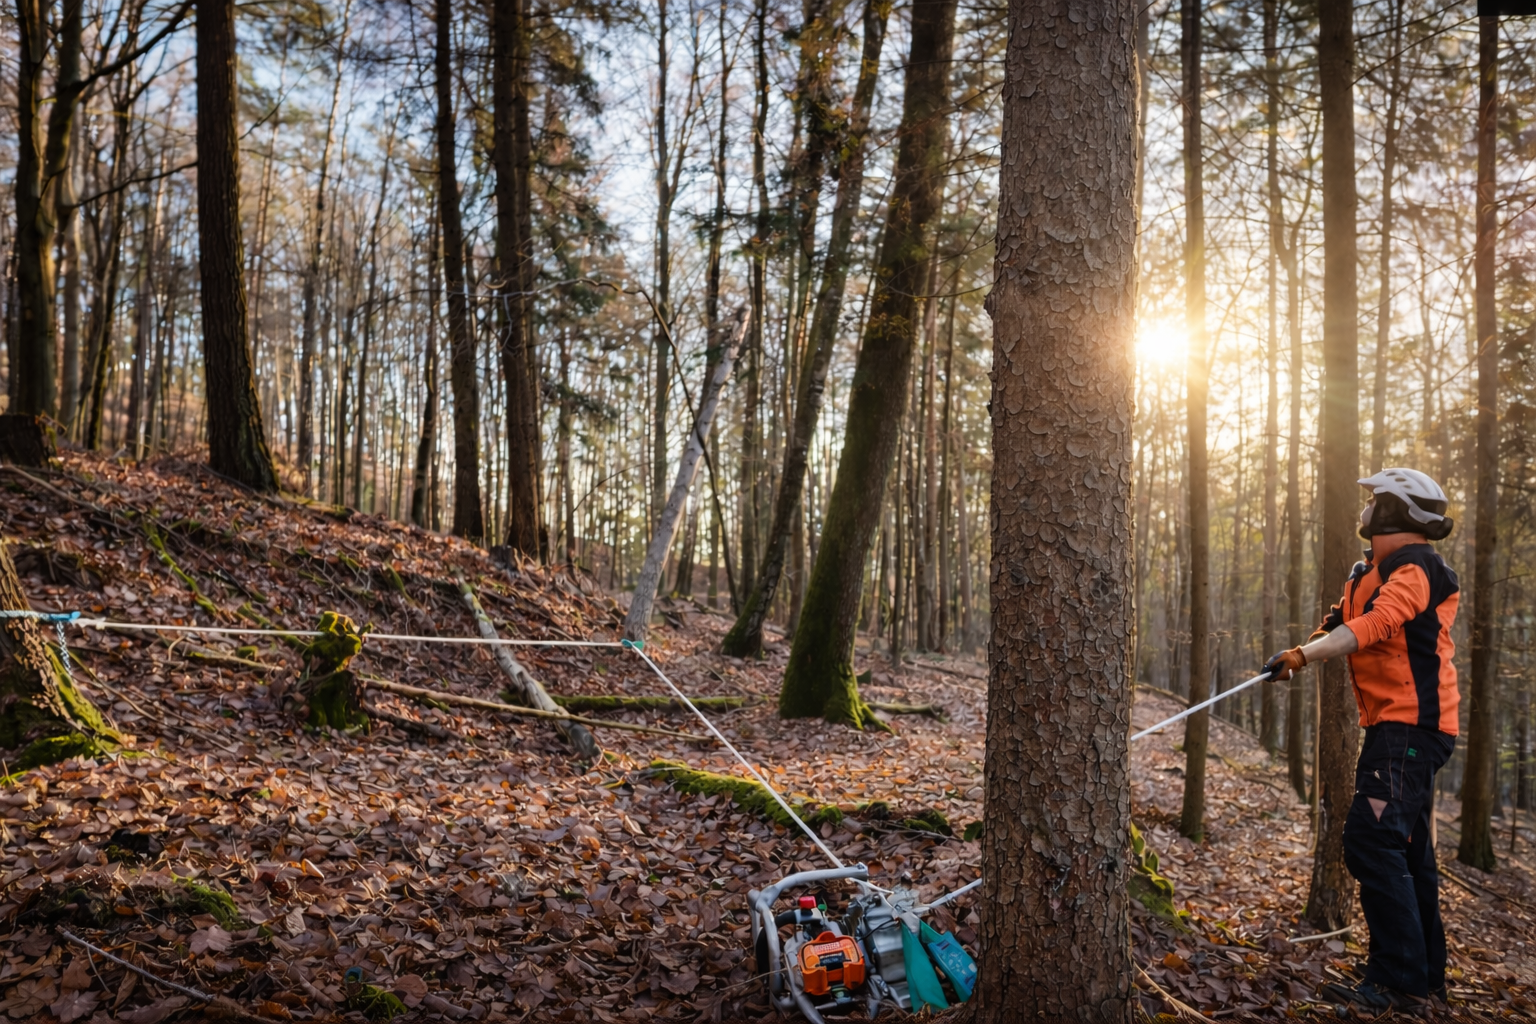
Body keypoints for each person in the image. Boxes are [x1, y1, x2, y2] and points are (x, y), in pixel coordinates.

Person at [1263, 469, 1460, 1013]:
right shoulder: (1370, 571)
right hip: (1400, 731)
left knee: (1370, 842)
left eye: (1376, 500)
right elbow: (1339, 625)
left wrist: (1305, 656)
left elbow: (1378, 625)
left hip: (1409, 732)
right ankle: (1424, 980)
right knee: (1408, 852)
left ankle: (1397, 983)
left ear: (1397, 511)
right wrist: (1295, 657)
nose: (1367, 509)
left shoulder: (1418, 568)